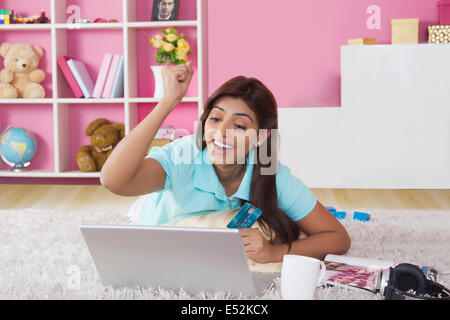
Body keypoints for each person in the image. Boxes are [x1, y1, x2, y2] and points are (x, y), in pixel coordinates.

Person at [100, 61, 351, 263]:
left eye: (239, 125)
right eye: (215, 119)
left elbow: (338, 238)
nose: (221, 133)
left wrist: (275, 253)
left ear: (260, 136)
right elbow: (113, 180)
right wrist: (168, 102)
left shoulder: (271, 175)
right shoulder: (183, 154)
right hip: (162, 227)